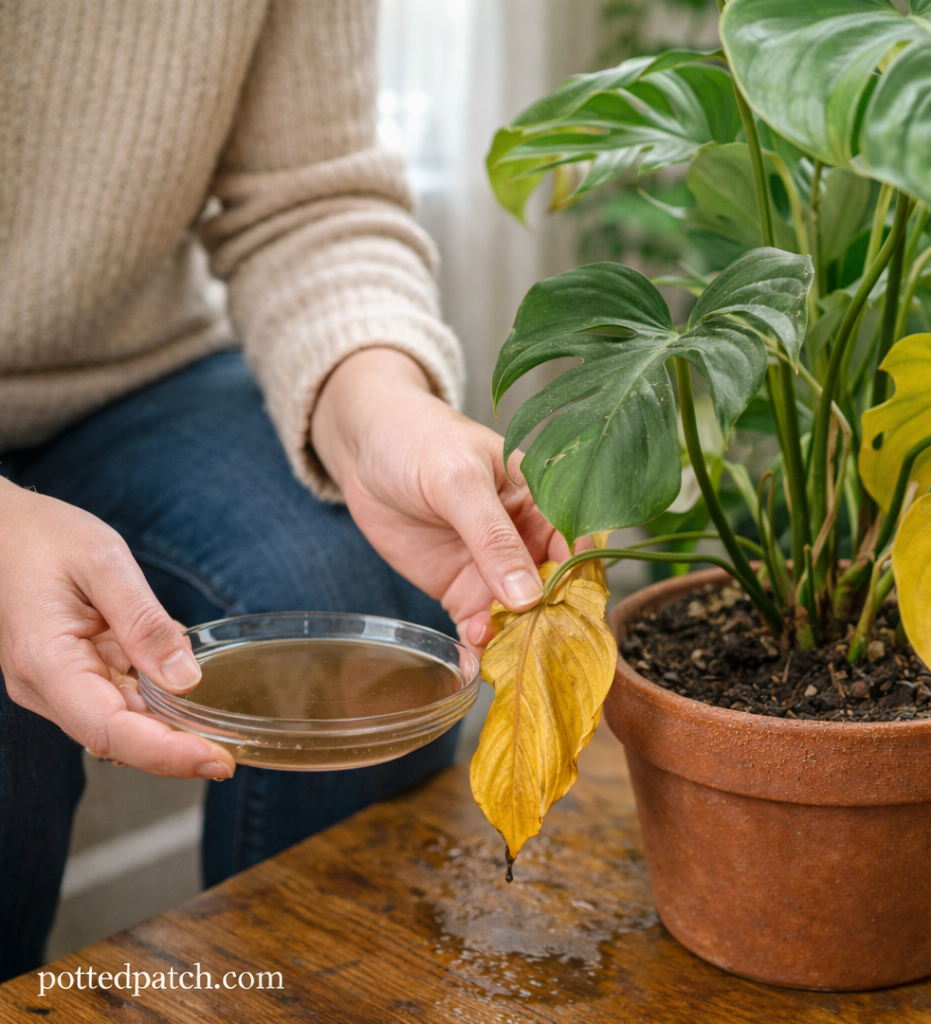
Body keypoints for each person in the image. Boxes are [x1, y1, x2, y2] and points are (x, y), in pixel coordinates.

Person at [0, 0, 564, 982]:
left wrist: (377, 404)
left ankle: (295, 994)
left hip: (131, 370)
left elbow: (306, 198)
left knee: (366, 595)